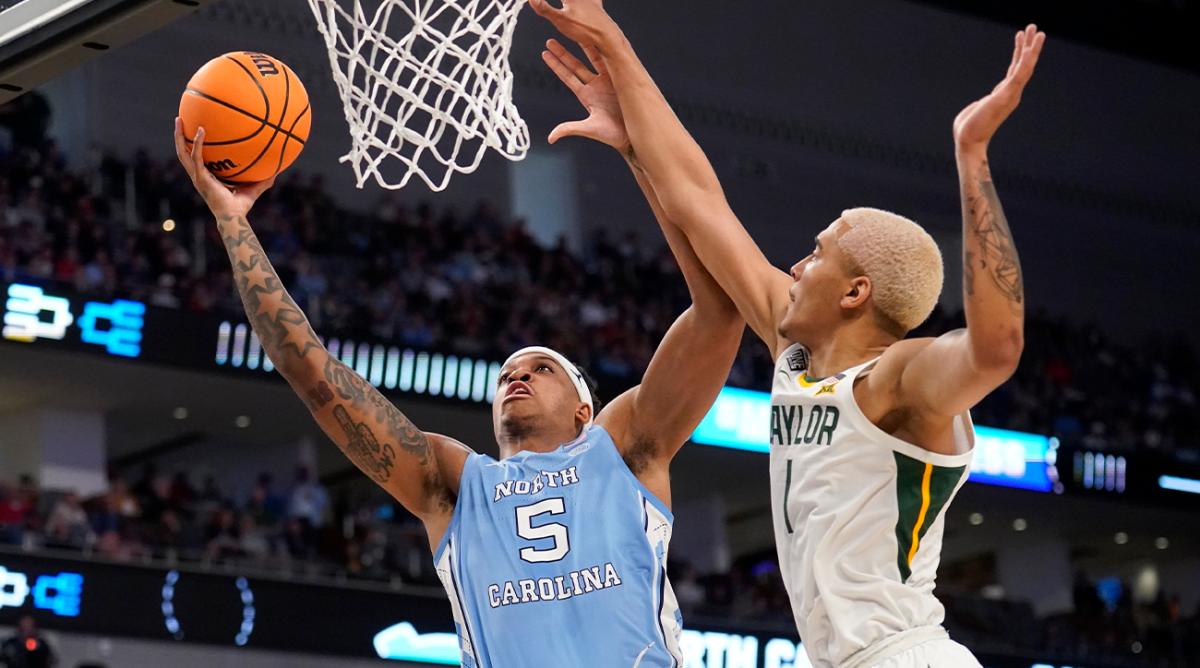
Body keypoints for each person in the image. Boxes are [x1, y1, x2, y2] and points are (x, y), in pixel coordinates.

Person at [531, 4, 1044, 666]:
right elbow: (697, 200)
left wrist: (971, 154)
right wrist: (620, 72)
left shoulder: (897, 382)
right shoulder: (795, 354)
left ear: (855, 293)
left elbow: (997, 348)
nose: (796, 265)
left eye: (818, 252)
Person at [172, 108, 743, 665]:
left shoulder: (621, 449)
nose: (517, 375)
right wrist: (232, 223)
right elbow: (311, 370)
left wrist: (639, 153)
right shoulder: (454, 483)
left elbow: (720, 309)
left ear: (583, 411)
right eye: (507, 375)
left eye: (543, 368)